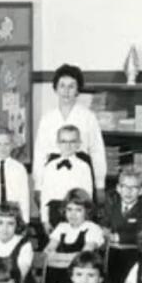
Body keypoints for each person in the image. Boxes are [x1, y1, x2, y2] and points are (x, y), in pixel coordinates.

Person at [32, 63, 107, 201]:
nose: (66, 91)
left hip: (80, 171)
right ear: (55, 89)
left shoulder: (88, 117)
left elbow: (97, 151)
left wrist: (100, 185)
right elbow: (40, 152)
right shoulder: (47, 118)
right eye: (62, 86)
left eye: (71, 86)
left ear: (78, 90)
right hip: (53, 172)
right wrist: (38, 185)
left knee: (79, 210)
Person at [42, 188, 105, 283]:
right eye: (69, 209)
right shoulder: (61, 227)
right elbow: (47, 253)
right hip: (56, 278)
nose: (73, 214)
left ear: (86, 211)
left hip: (82, 281)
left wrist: (57, 258)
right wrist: (69, 258)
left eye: (78, 210)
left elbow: (83, 256)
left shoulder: (92, 228)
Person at [104, 168, 142, 283]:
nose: (128, 191)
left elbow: (140, 233)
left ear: (141, 191)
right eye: (125, 187)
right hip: (113, 254)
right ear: (118, 188)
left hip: (133, 255)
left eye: (134, 188)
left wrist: (116, 237)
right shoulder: (112, 207)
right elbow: (105, 225)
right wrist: (104, 230)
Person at [38, 125, 98, 231]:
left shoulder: (84, 167)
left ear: (79, 144)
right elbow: (45, 196)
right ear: (57, 143)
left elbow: (88, 196)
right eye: (63, 141)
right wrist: (45, 220)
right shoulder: (50, 166)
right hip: (54, 212)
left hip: (75, 212)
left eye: (72, 142)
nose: (68, 146)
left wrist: (85, 221)